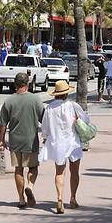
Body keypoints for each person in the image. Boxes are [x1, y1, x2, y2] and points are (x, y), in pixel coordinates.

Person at [39, 80, 86, 214]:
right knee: (74, 171)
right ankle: (73, 198)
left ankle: (59, 197)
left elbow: (45, 128)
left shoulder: (49, 108)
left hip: (57, 143)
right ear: (66, 94)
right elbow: (85, 120)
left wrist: (46, 138)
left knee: (59, 172)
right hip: (73, 142)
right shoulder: (73, 105)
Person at [0, 72, 45, 209]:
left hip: (15, 140)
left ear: (15, 84)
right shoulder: (35, 100)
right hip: (31, 140)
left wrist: (1, 140)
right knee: (33, 167)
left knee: (18, 169)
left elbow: (2, 124)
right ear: (28, 84)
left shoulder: (9, 101)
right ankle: (30, 186)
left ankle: (21, 199)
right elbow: (44, 119)